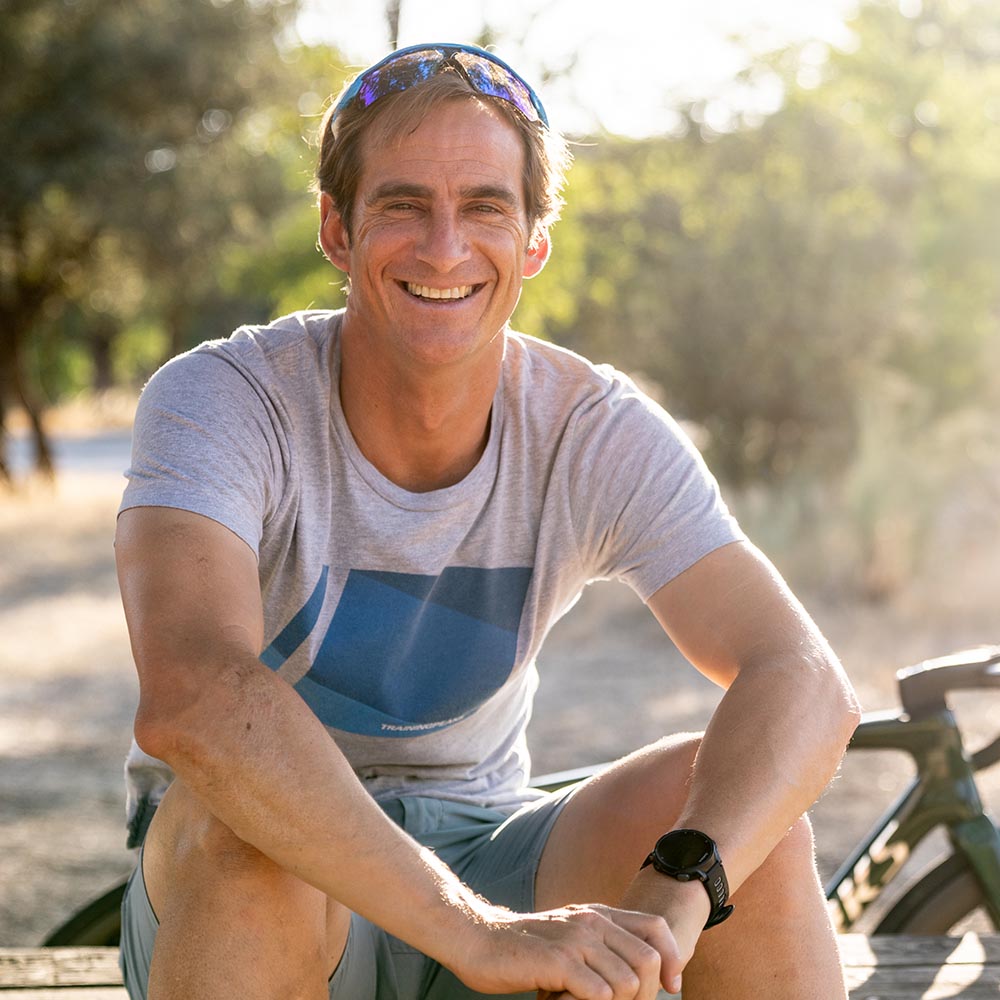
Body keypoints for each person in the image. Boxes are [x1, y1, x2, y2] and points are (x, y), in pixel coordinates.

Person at [114, 42, 860, 1000]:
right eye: (402, 204)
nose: (443, 246)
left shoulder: (590, 427)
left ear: (534, 244)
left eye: (483, 207)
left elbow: (803, 677)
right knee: (245, 839)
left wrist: (672, 902)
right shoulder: (223, 398)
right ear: (336, 230)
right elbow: (193, 694)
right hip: (249, 879)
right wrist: (475, 934)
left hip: (487, 846)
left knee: (737, 831)